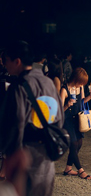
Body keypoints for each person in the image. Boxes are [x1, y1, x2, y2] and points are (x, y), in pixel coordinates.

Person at [0, 40, 64, 196]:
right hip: (47, 153)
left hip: (25, 154)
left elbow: (16, 124)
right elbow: (59, 118)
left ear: (17, 61)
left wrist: (6, 153)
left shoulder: (18, 87)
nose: (4, 65)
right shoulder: (48, 83)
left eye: (5, 61)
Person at [60, 67, 91, 179]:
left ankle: (68, 168)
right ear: (75, 79)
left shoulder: (80, 87)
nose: (81, 84)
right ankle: (81, 170)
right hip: (66, 119)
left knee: (79, 143)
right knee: (73, 144)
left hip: (77, 118)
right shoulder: (64, 90)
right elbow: (59, 110)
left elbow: (82, 102)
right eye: (80, 82)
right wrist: (67, 105)